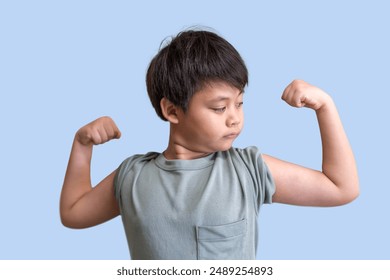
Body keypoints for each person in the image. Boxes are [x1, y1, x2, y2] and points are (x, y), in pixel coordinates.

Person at [60, 29, 359, 259]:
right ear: (172, 111)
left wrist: (326, 108)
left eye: (239, 104)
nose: (235, 119)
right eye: (219, 108)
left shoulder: (249, 170)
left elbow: (340, 187)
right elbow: (73, 213)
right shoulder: (132, 176)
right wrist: (82, 145)